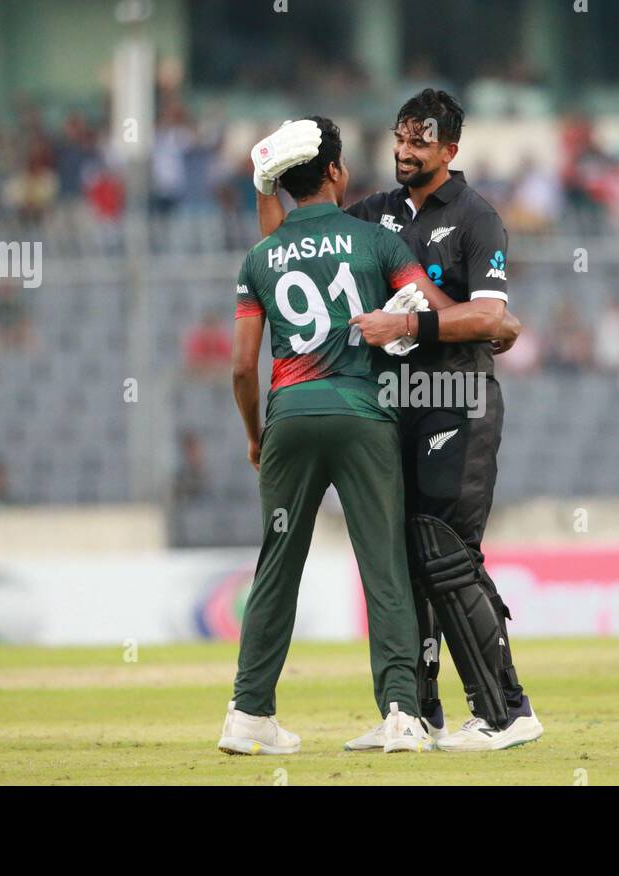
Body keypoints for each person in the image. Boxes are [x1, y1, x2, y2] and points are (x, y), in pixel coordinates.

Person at [253, 90, 543, 751]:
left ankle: (508, 711)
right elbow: (286, 246)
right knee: (405, 557)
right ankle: (415, 713)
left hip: (459, 396)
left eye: (421, 140)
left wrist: (408, 322)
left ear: (450, 150)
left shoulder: (476, 218)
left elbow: (494, 321)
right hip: (395, 405)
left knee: (446, 554)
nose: (405, 150)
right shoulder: (376, 213)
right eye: (400, 137)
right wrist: (264, 177)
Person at [221, 117, 452, 755]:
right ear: (334, 173)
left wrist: (254, 434)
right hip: (364, 417)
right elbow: (431, 310)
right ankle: (402, 713)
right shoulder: (374, 242)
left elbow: (242, 366)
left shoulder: (259, 257)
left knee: (276, 567)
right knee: (383, 564)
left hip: (289, 419)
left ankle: (247, 715)